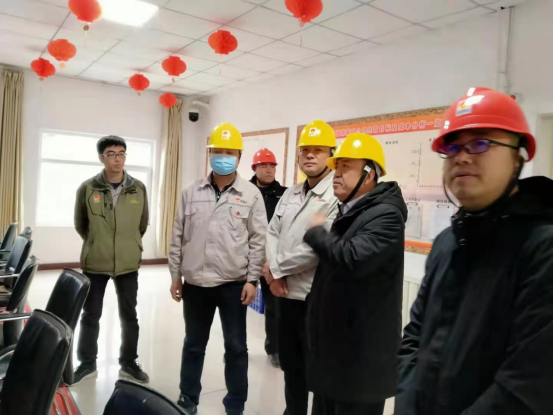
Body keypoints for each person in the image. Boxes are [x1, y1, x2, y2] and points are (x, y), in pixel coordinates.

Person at [396, 87, 553, 415]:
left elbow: (528, 388)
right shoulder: (446, 243)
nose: (462, 157)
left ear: (518, 157)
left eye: (481, 143)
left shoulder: (542, 249)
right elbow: (414, 339)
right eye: (452, 147)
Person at [304, 133, 407, 415]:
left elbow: (352, 259)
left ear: (369, 174)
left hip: (362, 357)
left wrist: (317, 233)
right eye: (336, 167)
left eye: (346, 167)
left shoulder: (386, 215)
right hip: (337, 352)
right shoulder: (352, 211)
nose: (336, 174)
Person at [169, 122, 267, 415]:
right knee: (193, 344)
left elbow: (258, 240)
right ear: (209, 153)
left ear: (239, 156)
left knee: (236, 347)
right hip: (196, 284)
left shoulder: (251, 194)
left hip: (233, 285)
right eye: (217, 151)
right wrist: (175, 275)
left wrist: (252, 280)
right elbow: (177, 236)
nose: (223, 157)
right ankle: (188, 397)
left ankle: (235, 403)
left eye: (229, 152)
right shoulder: (191, 192)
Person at [264, 120, 340, 415]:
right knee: (291, 366)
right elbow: (272, 232)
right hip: (284, 295)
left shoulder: (336, 195)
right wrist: (272, 275)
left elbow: (316, 249)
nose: (309, 155)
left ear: (331, 155)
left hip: (314, 299)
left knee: (316, 369)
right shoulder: (291, 193)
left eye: (318, 150)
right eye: (305, 149)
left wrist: (275, 270)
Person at [73, 135, 149, 384]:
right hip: (96, 262)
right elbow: (81, 224)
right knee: (90, 314)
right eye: (112, 154)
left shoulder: (138, 188)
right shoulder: (87, 188)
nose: (118, 159)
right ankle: (87, 363)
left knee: (129, 315)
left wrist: (129, 245)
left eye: (121, 154)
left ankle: (129, 362)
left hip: (127, 263)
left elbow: (142, 224)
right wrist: (98, 242)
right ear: (101, 158)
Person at [250, 148, 287, 368]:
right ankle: (236, 348)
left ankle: (274, 348)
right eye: (264, 165)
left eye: (272, 165)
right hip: (246, 258)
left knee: (275, 307)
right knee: (237, 305)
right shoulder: (244, 191)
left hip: (272, 259)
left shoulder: (285, 195)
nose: (269, 169)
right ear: (254, 168)